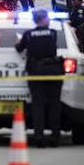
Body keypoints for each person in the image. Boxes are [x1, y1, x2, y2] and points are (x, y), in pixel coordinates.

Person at [15, 9, 64, 148]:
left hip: (35, 71)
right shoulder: (53, 33)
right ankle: (55, 137)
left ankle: (39, 137)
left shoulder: (28, 34)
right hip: (53, 71)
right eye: (47, 18)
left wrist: (18, 42)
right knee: (54, 104)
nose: (49, 20)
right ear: (42, 19)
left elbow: (19, 48)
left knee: (38, 105)